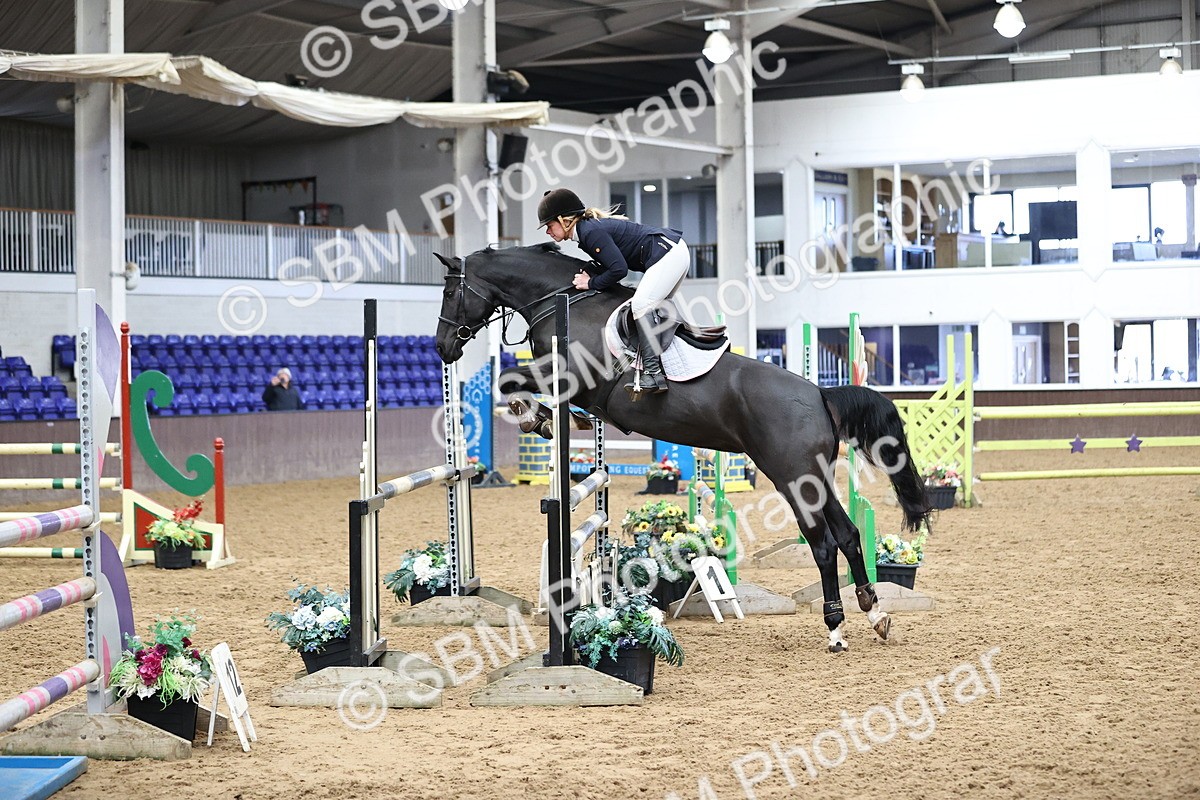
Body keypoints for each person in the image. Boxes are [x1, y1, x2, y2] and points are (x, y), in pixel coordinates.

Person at [537, 188, 689, 395]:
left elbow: (619, 270)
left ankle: (653, 374)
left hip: (668, 253)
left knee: (641, 305)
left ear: (564, 220)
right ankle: (660, 364)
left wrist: (591, 284)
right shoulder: (587, 232)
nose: (548, 231)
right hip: (672, 251)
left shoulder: (589, 232)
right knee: (651, 311)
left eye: (549, 225)